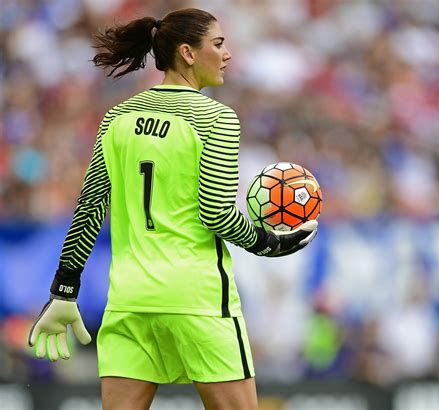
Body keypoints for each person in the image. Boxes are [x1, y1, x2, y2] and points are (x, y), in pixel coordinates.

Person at [27, 8, 318, 409]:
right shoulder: (215, 118)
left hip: (130, 300)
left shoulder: (118, 115)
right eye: (218, 44)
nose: (228, 54)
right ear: (187, 52)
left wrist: (64, 290)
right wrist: (270, 243)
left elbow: (90, 207)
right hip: (196, 299)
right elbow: (216, 213)